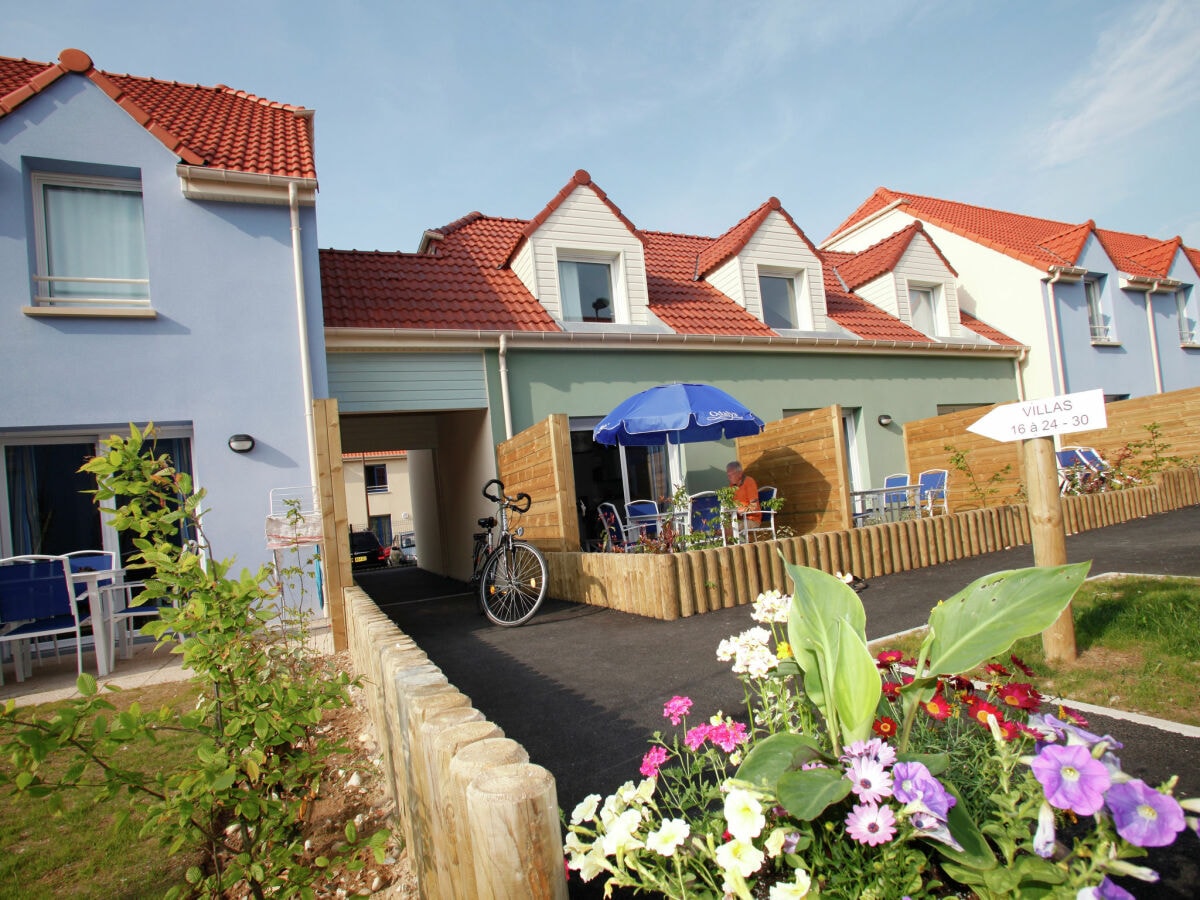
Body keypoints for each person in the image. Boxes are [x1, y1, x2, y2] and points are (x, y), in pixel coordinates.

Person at [726, 461, 761, 535]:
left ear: (740, 473)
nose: (729, 477)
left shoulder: (749, 482)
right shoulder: (732, 486)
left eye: (731, 474)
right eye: (728, 475)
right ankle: (739, 544)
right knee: (720, 529)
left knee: (731, 529)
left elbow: (754, 506)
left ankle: (739, 545)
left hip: (752, 520)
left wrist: (739, 510)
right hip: (738, 519)